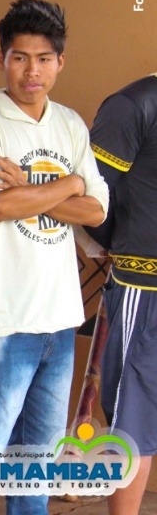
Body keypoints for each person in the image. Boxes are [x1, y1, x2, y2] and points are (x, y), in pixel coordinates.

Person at [0, 0, 108, 515]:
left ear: (60, 62)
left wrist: (50, 186)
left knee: (35, 474)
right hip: (0, 322)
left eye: (43, 59)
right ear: (1, 59)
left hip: (59, 323)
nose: (31, 71)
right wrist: (70, 184)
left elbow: (97, 212)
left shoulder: (70, 125)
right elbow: (1, 205)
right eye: (20, 57)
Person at [83, 73, 157, 515]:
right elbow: (94, 200)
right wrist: (119, 247)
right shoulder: (133, 105)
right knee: (134, 419)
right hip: (143, 288)